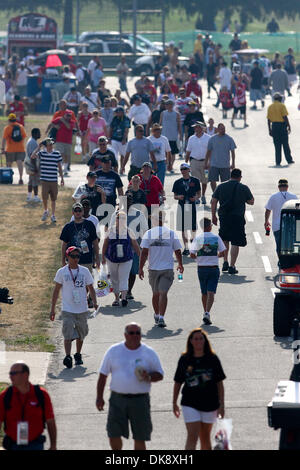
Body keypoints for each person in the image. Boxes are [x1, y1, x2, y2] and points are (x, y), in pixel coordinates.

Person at [96, 322, 164, 450]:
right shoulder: (114, 351)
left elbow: (160, 374)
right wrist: (99, 397)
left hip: (140, 400)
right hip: (117, 399)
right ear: (125, 335)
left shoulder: (148, 352)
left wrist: (149, 377)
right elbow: (103, 375)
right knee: (113, 434)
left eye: (138, 333)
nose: (135, 336)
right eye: (131, 333)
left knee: (140, 437)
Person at [173, 328, 225, 450]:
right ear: (191, 341)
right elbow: (178, 382)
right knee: (192, 436)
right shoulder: (185, 359)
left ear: (205, 341)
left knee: (205, 437)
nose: (198, 341)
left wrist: (222, 404)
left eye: (201, 338)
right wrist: (174, 402)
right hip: (190, 403)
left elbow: (219, 383)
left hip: (210, 403)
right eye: (196, 339)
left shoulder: (212, 358)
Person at [50, 246, 98, 368]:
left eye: (77, 256)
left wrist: (94, 301)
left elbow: (91, 287)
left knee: (82, 333)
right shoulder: (62, 272)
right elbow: (56, 291)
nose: (76, 259)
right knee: (67, 333)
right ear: (67, 257)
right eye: (73, 256)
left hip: (82, 309)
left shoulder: (84, 271)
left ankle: (77, 354)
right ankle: (67, 356)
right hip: (67, 309)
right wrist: (52, 308)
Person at [139, 210, 183, 328]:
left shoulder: (148, 233)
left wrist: (140, 268)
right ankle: (158, 314)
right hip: (163, 268)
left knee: (159, 293)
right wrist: (180, 264)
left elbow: (144, 252)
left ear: (154, 220)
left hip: (157, 269)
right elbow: (178, 251)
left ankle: (161, 317)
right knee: (158, 293)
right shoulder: (171, 233)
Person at [0, 361, 57, 450]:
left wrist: (53, 445)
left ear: (25, 375)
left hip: (35, 444)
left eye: (14, 373)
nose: (10, 376)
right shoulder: (6, 396)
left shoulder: (40, 394)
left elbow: (50, 421)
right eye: (10, 373)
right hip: (12, 445)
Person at [211, 168, 254, 275]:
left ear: (230, 175)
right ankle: (232, 265)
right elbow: (251, 201)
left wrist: (213, 216)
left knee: (225, 239)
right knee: (235, 242)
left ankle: (225, 261)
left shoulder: (221, 186)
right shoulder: (243, 187)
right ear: (240, 177)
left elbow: (214, 201)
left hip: (224, 217)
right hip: (237, 217)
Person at [190, 218, 226, 325]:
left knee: (204, 292)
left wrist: (199, 257)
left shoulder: (198, 238)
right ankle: (207, 312)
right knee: (211, 292)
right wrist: (216, 255)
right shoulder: (216, 237)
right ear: (209, 226)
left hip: (201, 268)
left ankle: (205, 311)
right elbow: (223, 252)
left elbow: (192, 254)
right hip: (213, 267)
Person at [102, 211, 141, 307]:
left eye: (124, 218)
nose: (121, 220)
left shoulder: (129, 231)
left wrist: (141, 258)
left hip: (126, 259)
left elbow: (135, 245)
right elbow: (105, 244)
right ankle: (116, 299)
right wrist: (102, 257)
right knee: (114, 279)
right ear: (116, 219)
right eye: (119, 218)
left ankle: (123, 298)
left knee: (124, 278)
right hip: (112, 259)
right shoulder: (110, 230)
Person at [60, 201, 100, 273]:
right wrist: (63, 260)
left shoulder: (89, 225)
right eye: (76, 210)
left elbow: (95, 242)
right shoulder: (68, 227)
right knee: (73, 282)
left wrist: (97, 258)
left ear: (83, 212)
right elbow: (64, 244)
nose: (78, 212)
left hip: (87, 260)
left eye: (80, 210)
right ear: (73, 212)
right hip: (72, 260)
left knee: (86, 283)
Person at [31, 138, 64, 223]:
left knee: (53, 199)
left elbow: (59, 167)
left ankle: (53, 215)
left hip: (53, 180)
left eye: (52, 144)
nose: (51, 146)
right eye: (49, 145)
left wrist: (62, 178)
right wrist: (39, 147)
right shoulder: (42, 153)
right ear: (46, 146)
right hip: (45, 180)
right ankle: (46, 211)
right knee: (44, 197)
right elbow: (32, 156)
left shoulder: (57, 153)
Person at [172, 162, 201, 255]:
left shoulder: (195, 181)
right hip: (182, 206)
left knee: (193, 227)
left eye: (185, 169)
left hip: (191, 206)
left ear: (189, 169)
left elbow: (199, 193)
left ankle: (193, 243)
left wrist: (195, 198)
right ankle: (186, 247)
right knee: (183, 228)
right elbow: (174, 196)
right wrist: (178, 197)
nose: (183, 171)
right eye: (181, 169)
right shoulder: (177, 182)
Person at [265, 179, 297, 256]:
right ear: (287, 187)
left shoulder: (273, 197)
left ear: (278, 187)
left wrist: (266, 221)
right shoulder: (294, 197)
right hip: (291, 226)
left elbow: (268, 210)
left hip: (277, 226)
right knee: (291, 244)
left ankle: (281, 261)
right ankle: (290, 260)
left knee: (279, 245)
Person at [205, 123, 236, 192]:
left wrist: (233, 163)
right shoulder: (212, 139)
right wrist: (206, 163)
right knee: (212, 180)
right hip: (213, 164)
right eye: (221, 129)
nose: (223, 130)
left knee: (226, 182)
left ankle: (223, 195)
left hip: (225, 165)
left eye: (224, 129)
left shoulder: (229, 139)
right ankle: (215, 194)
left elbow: (233, 152)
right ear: (218, 129)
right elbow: (208, 152)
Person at [185, 121, 210, 205]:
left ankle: (203, 195)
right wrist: (186, 159)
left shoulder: (208, 138)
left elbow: (211, 151)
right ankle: (197, 196)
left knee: (205, 180)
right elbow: (188, 150)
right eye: (195, 127)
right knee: (196, 180)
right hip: (194, 161)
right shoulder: (191, 138)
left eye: (198, 127)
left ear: (202, 128)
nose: (196, 129)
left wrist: (210, 162)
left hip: (205, 162)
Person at [94, 155, 124, 226]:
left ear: (110, 163)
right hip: (97, 203)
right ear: (101, 163)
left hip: (110, 203)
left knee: (109, 224)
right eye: (105, 163)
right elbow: (91, 187)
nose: (107, 165)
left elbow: (120, 191)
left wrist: (121, 205)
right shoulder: (96, 174)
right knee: (98, 223)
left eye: (108, 163)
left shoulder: (115, 175)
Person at [267, 92, 294, 166]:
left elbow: (268, 120)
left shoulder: (270, 107)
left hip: (274, 126)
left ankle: (278, 161)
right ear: (279, 98)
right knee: (285, 144)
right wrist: (288, 126)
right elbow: (285, 117)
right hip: (282, 126)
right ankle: (289, 160)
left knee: (277, 145)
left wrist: (270, 129)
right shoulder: (282, 106)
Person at [1, 113, 26, 185]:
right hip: (20, 148)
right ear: (15, 119)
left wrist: (2, 148)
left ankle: (8, 179)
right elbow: (24, 136)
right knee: (19, 163)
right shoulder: (20, 127)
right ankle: (21, 178)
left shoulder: (7, 128)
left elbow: (4, 139)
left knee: (9, 165)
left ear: (9, 120)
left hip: (10, 149)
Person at [52, 109, 77, 177]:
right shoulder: (59, 119)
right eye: (67, 115)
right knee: (60, 155)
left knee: (66, 156)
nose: (68, 117)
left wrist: (63, 120)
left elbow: (69, 127)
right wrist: (55, 126)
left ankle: (65, 169)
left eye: (70, 116)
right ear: (64, 115)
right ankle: (59, 169)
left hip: (68, 141)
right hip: (59, 140)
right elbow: (52, 123)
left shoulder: (72, 122)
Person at [159, 99, 182, 174]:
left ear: (173, 105)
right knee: (165, 152)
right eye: (167, 104)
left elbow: (179, 125)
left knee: (173, 153)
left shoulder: (177, 114)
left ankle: (171, 166)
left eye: (170, 104)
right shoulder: (163, 113)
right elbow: (160, 124)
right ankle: (166, 166)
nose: (168, 106)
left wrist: (180, 135)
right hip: (164, 135)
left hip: (173, 136)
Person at [109, 106, 131, 172]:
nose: (117, 113)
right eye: (116, 112)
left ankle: (122, 167)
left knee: (123, 154)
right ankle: (115, 168)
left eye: (118, 112)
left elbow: (126, 130)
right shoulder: (114, 118)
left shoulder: (126, 119)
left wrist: (124, 139)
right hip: (114, 139)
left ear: (122, 112)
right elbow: (111, 128)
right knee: (114, 154)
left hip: (122, 139)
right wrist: (109, 138)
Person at [25, 127, 41, 202]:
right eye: (38, 133)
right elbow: (32, 156)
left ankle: (29, 196)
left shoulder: (32, 141)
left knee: (31, 181)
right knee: (35, 181)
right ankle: (35, 197)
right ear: (34, 134)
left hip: (30, 163)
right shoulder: (33, 142)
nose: (40, 134)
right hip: (32, 164)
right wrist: (35, 167)